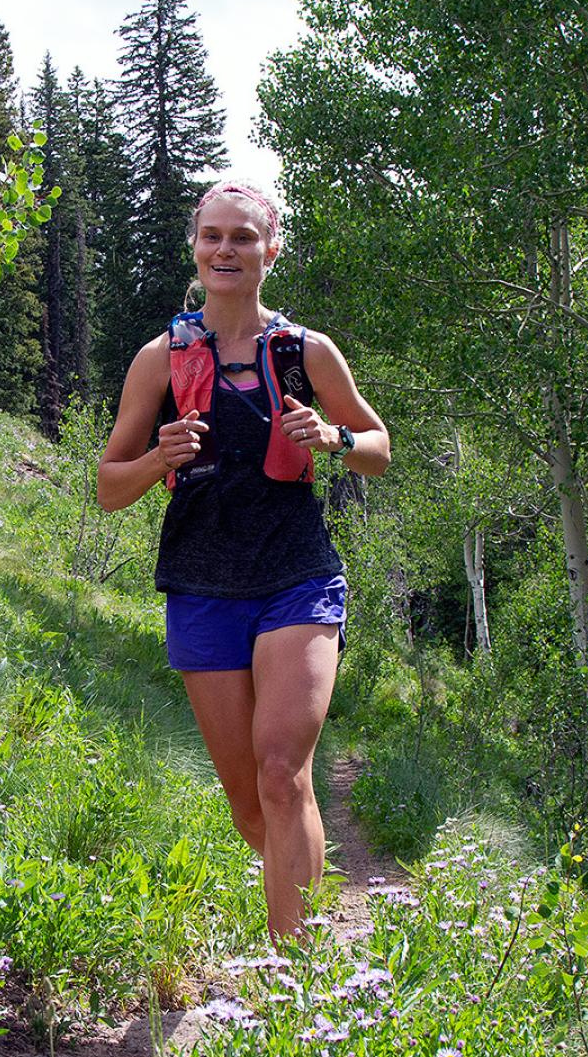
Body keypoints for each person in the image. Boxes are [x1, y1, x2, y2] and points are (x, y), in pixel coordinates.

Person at [96, 182, 390, 939]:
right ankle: (310, 905)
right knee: (249, 806)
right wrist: (158, 459)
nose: (227, 250)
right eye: (213, 237)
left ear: (271, 249)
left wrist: (334, 440)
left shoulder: (304, 352)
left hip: (297, 578)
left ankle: (295, 974)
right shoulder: (161, 359)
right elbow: (108, 487)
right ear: (195, 247)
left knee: (283, 774)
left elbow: (378, 447)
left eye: (243, 238)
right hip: (201, 584)